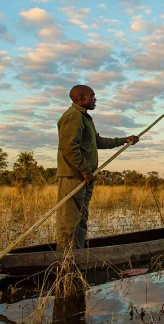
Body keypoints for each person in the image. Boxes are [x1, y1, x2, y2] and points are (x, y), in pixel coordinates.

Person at [56, 85, 139, 250]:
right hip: (73, 177)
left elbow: (98, 141)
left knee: (81, 219)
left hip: (85, 177)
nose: (95, 99)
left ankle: (76, 255)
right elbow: (69, 147)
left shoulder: (85, 118)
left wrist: (124, 140)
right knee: (69, 221)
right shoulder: (73, 116)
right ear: (81, 98)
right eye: (92, 96)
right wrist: (85, 171)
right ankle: (65, 261)